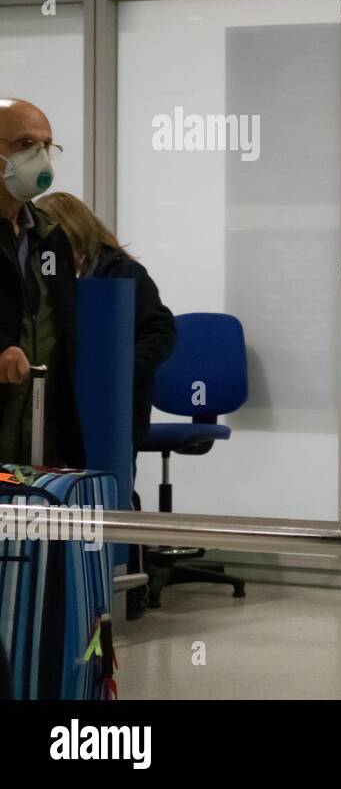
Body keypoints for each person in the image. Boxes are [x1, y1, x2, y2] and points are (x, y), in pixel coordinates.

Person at [37, 191, 177, 619]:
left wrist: (121, 367)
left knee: (112, 491)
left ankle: (125, 587)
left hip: (116, 405)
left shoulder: (124, 273)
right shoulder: (51, 274)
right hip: (65, 400)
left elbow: (161, 331)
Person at [0, 99, 83, 469]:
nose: (39, 157)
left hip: (40, 431)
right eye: (24, 145)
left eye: (46, 146)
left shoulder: (50, 237)